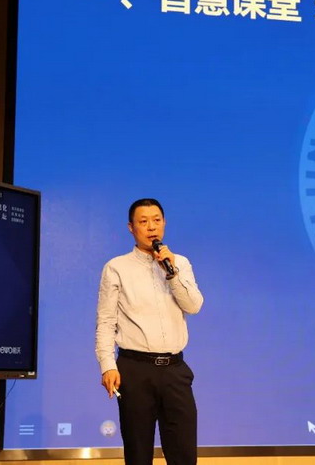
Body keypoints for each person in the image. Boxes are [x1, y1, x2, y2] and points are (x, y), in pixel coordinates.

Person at [95, 198, 204, 465]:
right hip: (135, 370)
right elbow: (106, 321)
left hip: (175, 370)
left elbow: (194, 306)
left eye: (156, 220)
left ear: (164, 223)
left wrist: (172, 273)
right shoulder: (116, 267)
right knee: (138, 454)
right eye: (143, 222)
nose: (151, 227)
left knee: (183, 454)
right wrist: (107, 365)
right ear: (131, 228)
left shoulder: (179, 263)